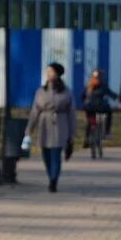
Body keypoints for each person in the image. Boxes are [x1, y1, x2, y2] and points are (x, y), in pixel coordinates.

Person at [25, 62, 77, 192]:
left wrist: (72, 133)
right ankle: (50, 175)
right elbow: (34, 111)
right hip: (44, 125)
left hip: (60, 124)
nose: (48, 74)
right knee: (46, 155)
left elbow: (71, 113)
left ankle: (54, 180)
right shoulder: (41, 91)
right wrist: (29, 130)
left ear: (58, 74)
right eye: (47, 72)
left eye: (51, 72)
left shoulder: (66, 92)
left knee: (55, 155)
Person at [81, 69, 117, 155]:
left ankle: (86, 139)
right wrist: (117, 98)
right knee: (109, 113)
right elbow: (111, 94)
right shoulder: (103, 85)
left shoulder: (88, 85)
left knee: (89, 123)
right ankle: (107, 131)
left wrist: (84, 102)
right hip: (101, 108)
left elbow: (82, 97)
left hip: (89, 108)